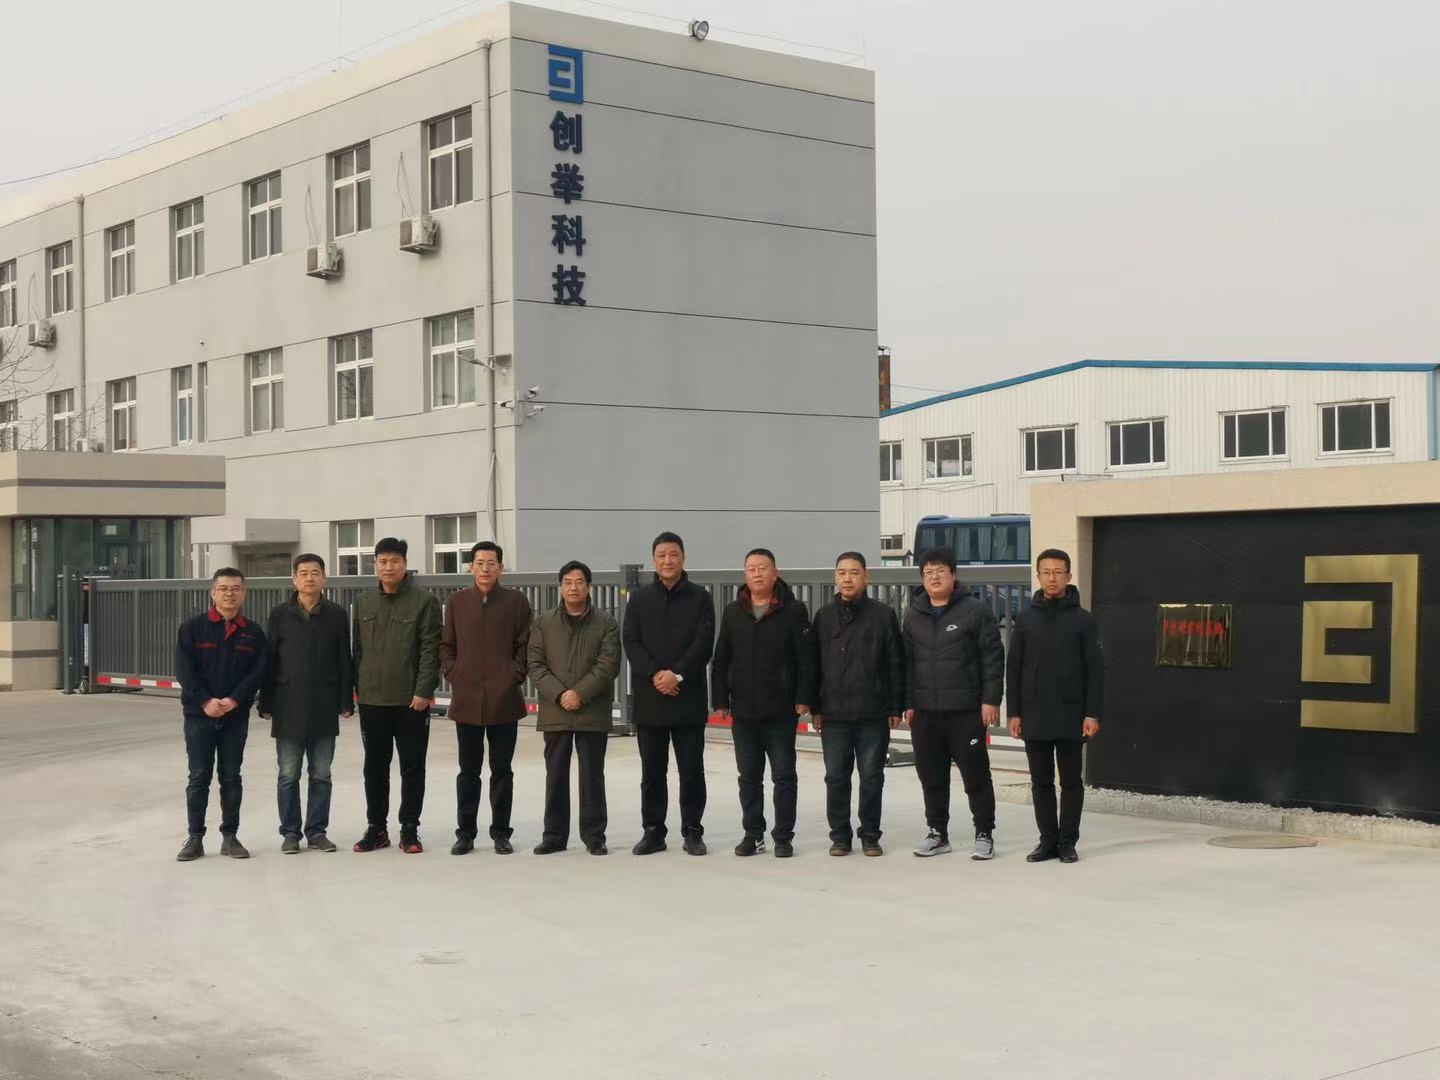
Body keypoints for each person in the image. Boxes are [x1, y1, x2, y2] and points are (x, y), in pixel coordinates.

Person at [902, 548, 1004, 860]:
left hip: (965, 710)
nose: (934, 577)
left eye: (940, 571)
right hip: (925, 712)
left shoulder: (975, 611)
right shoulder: (913, 614)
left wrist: (990, 700)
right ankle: (937, 833)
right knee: (931, 776)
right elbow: (906, 663)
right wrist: (908, 702)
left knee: (975, 775)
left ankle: (984, 833)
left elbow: (992, 657)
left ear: (953, 574)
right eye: (928, 572)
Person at [711, 548, 812, 858]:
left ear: (775, 573)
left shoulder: (793, 610)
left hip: (781, 709)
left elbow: (805, 659)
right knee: (749, 777)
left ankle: (783, 837)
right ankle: (753, 834)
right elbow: (722, 657)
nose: (757, 573)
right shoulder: (733, 611)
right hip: (744, 711)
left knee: (784, 777)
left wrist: (803, 698)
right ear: (745, 575)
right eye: (751, 569)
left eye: (762, 568)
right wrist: (720, 697)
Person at [1007, 548, 1105, 864]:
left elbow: (1095, 670)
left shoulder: (1083, 620)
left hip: (1071, 714)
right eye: (1046, 572)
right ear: (1038, 576)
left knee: (1071, 782)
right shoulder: (1025, 619)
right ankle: (1047, 841)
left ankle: (1067, 842)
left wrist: (1092, 713)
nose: (1052, 578)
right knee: (1041, 783)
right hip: (1034, 713)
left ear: (1068, 576)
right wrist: (1014, 712)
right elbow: (1014, 667)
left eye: (1058, 572)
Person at [622, 532, 715, 856]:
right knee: (652, 773)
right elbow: (631, 643)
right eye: (661, 555)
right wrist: (655, 675)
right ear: (653, 560)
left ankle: (692, 831)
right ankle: (653, 831)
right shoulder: (639, 600)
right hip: (651, 700)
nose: (667, 560)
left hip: (687, 698)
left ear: (683, 558)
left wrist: (676, 674)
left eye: (673, 554)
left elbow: (703, 644)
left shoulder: (700, 598)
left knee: (691, 771)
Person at [806, 551, 904, 857]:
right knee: (836, 776)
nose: (847, 578)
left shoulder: (883, 615)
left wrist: (895, 706)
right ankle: (840, 835)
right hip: (833, 713)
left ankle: (870, 834)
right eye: (841, 573)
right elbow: (813, 665)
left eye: (854, 572)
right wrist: (815, 707)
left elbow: (895, 663)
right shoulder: (824, 616)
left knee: (872, 776)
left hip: (873, 712)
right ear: (835, 577)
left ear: (866, 576)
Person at [440, 540, 532, 856]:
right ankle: (465, 833)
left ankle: (501, 833)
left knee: (502, 770)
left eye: (491, 563)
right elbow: (447, 646)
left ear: (501, 567)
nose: (485, 569)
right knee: (468, 771)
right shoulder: (457, 602)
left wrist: (512, 676)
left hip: (504, 700)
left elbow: (525, 646)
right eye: (479, 563)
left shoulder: (516, 602)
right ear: (471, 567)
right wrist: (454, 673)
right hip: (467, 700)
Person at [257, 554, 353, 855]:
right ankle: (290, 833)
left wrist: (345, 700)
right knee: (288, 775)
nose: (309, 578)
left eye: (315, 572)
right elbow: (270, 660)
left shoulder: (336, 614)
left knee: (321, 774)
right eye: (303, 573)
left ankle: (317, 832)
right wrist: (266, 701)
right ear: (294, 579)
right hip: (287, 706)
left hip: (324, 705)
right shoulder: (279, 615)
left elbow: (344, 659)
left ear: (324, 577)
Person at [352, 537, 442, 855]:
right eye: (382, 561)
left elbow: (431, 648)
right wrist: (357, 689)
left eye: (394, 561)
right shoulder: (364, 602)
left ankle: (409, 828)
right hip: (371, 700)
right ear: (375, 565)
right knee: (374, 768)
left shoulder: (424, 601)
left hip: (410, 702)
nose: (388, 567)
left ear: (405, 564)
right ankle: (377, 828)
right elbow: (358, 649)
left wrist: (424, 691)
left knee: (412, 768)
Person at [528, 560, 621, 855]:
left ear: (589, 586)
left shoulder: (606, 622)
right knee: (555, 774)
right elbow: (535, 664)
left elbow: (608, 665)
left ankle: (594, 836)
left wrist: (579, 693)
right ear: (560, 587)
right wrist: (560, 694)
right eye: (567, 582)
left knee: (592, 775)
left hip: (592, 710)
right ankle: (554, 835)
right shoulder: (543, 623)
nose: (573, 587)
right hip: (556, 710)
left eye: (579, 582)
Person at [174, 568, 267, 862]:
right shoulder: (192, 628)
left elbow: (258, 672)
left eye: (236, 588)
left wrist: (235, 699)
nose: (230, 593)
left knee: (231, 777)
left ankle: (230, 837)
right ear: (213, 592)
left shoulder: (253, 633)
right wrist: (205, 701)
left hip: (234, 717)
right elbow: (185, 670)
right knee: (198, 777)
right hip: (199, 716)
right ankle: (195, 838)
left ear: (244, 593)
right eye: (224, 588)